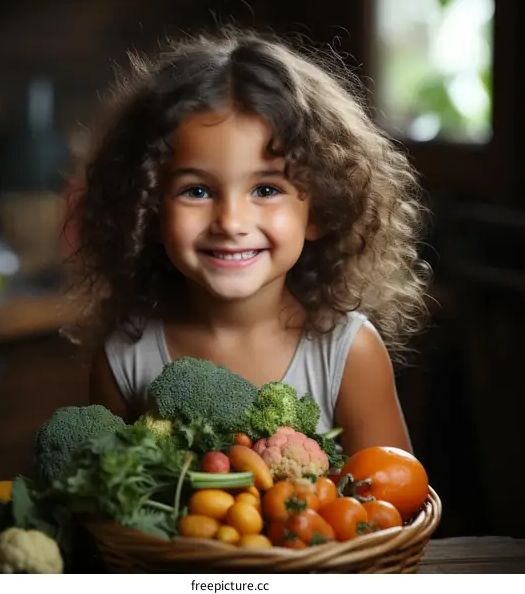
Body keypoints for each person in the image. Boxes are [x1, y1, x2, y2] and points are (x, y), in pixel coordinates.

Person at [64, 27, 432, 457]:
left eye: (266, 189)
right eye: (197, 191)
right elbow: (105, 502)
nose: (231, 222)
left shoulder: (348, 352)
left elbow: (396, 501)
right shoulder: (127, 356)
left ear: (319, 209)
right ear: (148, 209)